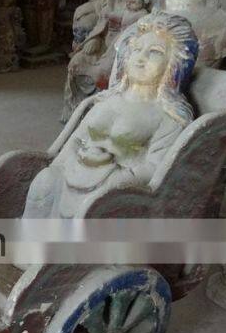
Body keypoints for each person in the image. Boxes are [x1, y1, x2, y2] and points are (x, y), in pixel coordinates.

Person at [26, 12, 199, 219]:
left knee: (94, 206)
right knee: (43, 181)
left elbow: (155, 167)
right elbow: (75, 140)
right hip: (75, 171)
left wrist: (118, 179)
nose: (140, 58)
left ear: (174, 65)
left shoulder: (168, 116)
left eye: (154, 52)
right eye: (137, 49)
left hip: (114, 187)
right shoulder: (103, 102)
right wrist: (61, 166)